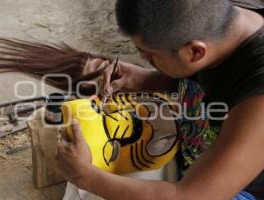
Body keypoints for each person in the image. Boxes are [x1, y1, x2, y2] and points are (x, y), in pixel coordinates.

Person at [55, 0, 264, 200]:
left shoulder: (258, 100)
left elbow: (191, 196)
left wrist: (85, 177)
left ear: (195, 51)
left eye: (150, 56)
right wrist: (149, 79)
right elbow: (215, 79)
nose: (146, 61)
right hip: (202, 152)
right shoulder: (219, 17)